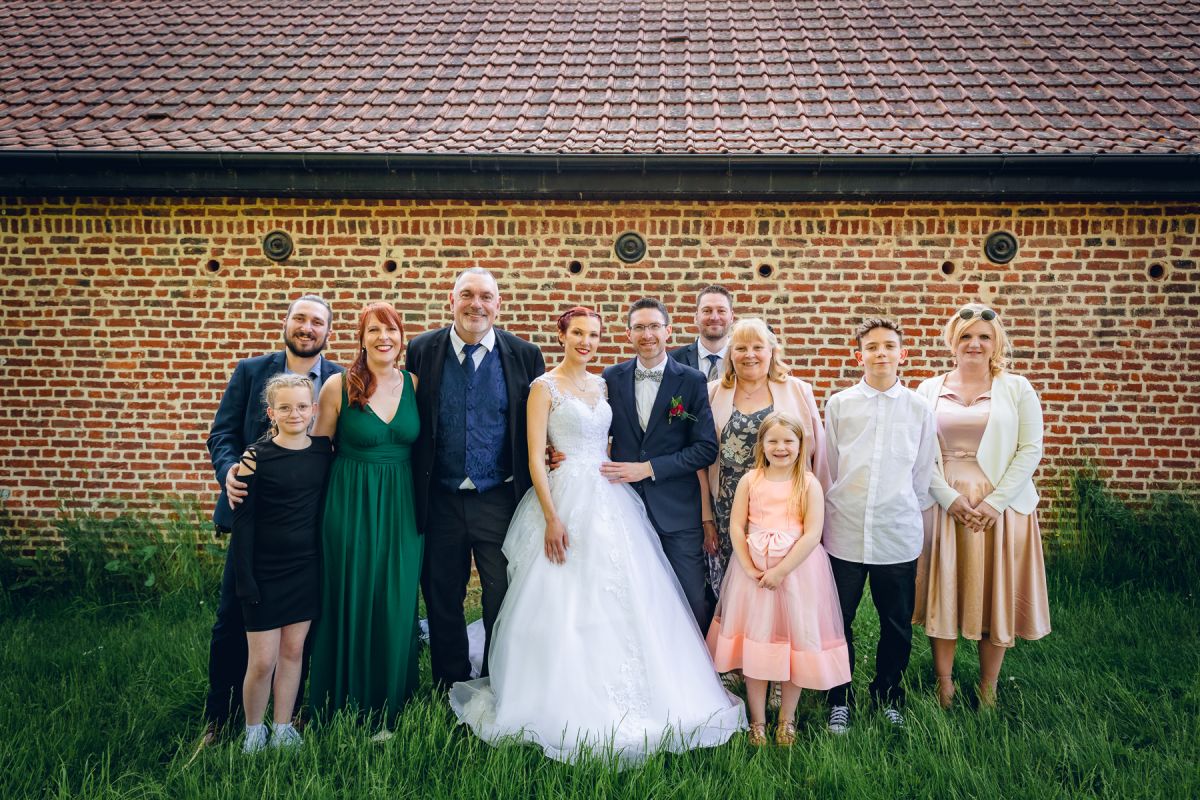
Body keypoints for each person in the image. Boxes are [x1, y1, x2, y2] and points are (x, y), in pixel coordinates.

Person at [449, 307, 745, 765]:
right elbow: (535, 457)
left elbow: (618, 440)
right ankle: (556, 692)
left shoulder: (603, 385)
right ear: (562, 335)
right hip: (564, 499)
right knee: (562, 594)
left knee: (627, 592)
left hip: (610, 496)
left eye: (593, 335)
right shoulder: (543, 387)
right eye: (577, 333)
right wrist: (552, 517)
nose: (585, 341)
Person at [201, 295, 341, 744]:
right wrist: (230, 472)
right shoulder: (250, 371)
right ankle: (221, 716)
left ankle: (289, 717)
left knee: (300, 638)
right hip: (254, 523)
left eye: (316, 322)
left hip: (308, 528)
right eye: (299, 318)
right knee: (230, 623)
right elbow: (222, 433)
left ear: (328, 332)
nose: (307, 327)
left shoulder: (339, 380)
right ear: (285, 323)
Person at [405, 268, 546, 689]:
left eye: (486, 296)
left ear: (498, 305)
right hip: (440, 496)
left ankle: (495, 682)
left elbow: (539, 420)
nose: (476, 304)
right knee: (442, 594)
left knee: (502, 594)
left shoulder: (524, 354)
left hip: (499, 498)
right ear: (451, 301)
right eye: (467, 294)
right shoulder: (422, 349)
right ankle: (450, 683)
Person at [913, 303, 1050, 708]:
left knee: (995, 592)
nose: (975, 344)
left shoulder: (1018, 388)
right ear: (952, 342)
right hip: (944, 503)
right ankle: (944, 685)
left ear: (996, 343)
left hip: (1001, 508)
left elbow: (1030, 449)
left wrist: (995, 503)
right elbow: (917, 450)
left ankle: (988, 687)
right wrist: (948, 497)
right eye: (966, 336)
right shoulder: (927, 389)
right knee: (945, 590)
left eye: (984, 337)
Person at [309, 302, 421, 727]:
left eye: (391, 330)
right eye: (373, 330)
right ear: (361, 338)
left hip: (403, 505)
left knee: (395, 598)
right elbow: (317, 454)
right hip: (350, 502)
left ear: (401, 338)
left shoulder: (414, 383)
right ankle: (338, 702)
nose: (383, 338)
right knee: (350, 595)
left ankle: (391, 702)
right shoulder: (338, 385)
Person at [707, 412, 849, 746]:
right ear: (762, 445)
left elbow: (812, 533)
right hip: (753, 574)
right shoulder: (751, 480)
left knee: (795, 642)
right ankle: (757, 721)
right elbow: (736, 526)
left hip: (797, 573)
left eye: (788, 441)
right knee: (756, 644)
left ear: (801, 445)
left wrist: (781, 570)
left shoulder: (808, 484)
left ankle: (787, 719)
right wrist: (748, 567)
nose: (780, 447)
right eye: (773, 441)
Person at [823, 318, 937, 733]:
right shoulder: (840, 404)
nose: (881, 353)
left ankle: (888, 694)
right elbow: (831, 465)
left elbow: (922, 472)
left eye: (889, 346)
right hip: (846, 530)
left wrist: (901, 506)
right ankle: (839, 698)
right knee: (839, 620)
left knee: (896, 622)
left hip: (896, 532)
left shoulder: (919, 409)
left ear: (902, 354)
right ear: (859, 356)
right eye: (872, 347)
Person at [602, 297, 718, 631]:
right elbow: (596, 431)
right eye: (639, 327)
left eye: (654, 326)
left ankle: (694, 661)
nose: (647, 334)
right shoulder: (611, 377)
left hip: (677, 511)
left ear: (668, 331)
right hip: (626, 507)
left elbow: (705, 448)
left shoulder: (691, 380)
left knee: (691, 599)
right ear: (628, 334)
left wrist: (649, 468)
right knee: (632, 599)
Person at [231, 374, 331, 752]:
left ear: (314, 410)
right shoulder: (255, 458)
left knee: (293, 652)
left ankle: (283, 727)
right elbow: (243, 525)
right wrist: (245, 580)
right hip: (264, 572)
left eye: (302, 406)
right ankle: (253, 731)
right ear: (271, 413)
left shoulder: (323, 452)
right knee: (262, 660)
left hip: (306, 570)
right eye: (285, 407)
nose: (295, 414)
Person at [700, 318, 831, 600]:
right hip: (728, 504)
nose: (750, 354)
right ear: (730, 354)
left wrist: (819, 507)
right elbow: (701, 456)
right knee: (740, 584)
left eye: (758, 347)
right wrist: (706, 516)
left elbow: (817, 450)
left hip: (785, 506)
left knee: (786, 585)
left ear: (772, 351)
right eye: (741, 348)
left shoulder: (798, 390)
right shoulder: (713, 392)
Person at [669, 284, 735, 381]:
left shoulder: (746, 361)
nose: (714, 317)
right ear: (696, 317)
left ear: (732, 317)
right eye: (707, 311)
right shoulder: (672, 361)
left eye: (721, 311)